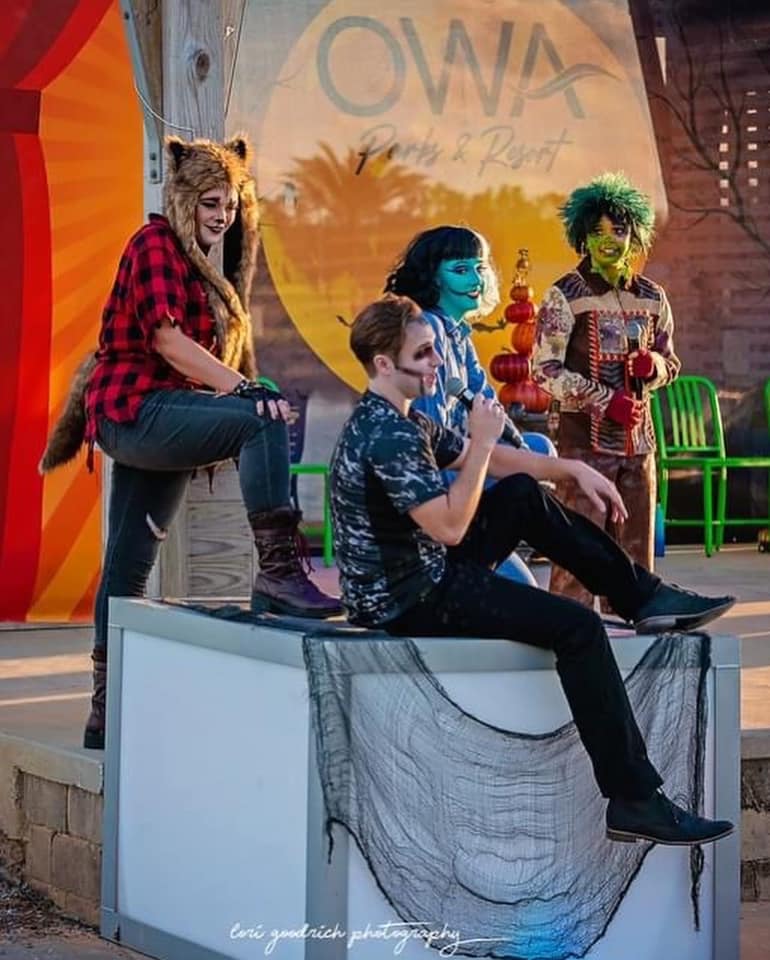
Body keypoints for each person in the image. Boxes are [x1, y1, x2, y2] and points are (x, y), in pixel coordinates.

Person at [330, 293, 735, 845]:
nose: (437, 363)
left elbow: (493, 461)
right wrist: (481, 443)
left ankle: (643, 598)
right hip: (408, 601)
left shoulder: (403, 418)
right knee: (578, 628)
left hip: (423, 573)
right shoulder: (389, 434)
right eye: (423, 354)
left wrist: (570, 469)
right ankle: (634, 799)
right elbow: (449, 526)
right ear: (383, 363)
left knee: (521, 493)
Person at [40, 135, 340, 750]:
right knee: (259, 418)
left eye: (230, 203)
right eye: (209, 202)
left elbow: (210, 355)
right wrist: (244, 392)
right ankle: (278, 572)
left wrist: (237, 388)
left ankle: (105, 712)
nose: (222, 215)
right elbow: (168, 341)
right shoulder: (154, 244)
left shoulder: (208, 265)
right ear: (180, 197)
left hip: (162, 415)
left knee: (129, 562)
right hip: (135, 408)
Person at [531, 173, 678, 610]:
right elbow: (544, 370)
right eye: (597, 232)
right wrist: (603, 400)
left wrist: (653, 367)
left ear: (635, 235)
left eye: (618, 230)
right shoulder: (564, 295)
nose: (609, 240)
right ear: (583, 237)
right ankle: (570, 625)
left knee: (636, 551)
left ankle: (636, 621)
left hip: (639, 444)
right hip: (583, 445)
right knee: (578, 549)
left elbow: (670, 361)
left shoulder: (652, 296)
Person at [384, 225, 552, 585]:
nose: (475, 279)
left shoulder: (458, 335)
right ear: (433, 277)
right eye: (461, 270)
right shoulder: (427, 330)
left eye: (479, 268)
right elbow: (431, 445)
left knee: (537, 448)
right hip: (434, 494)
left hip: (464, 469)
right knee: (520, 588)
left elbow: (491, 410)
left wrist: (521, 453)